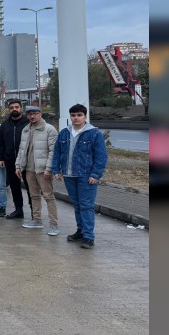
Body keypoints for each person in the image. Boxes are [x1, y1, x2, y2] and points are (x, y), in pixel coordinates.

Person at [52, 104, 108, 249]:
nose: (76, 118)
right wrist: (56, 170)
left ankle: (89, 237)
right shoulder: (64, 133)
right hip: (69, 175)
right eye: (73, 115)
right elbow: (57, 153)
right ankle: (81, 231)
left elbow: (101, 157)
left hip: (86, 176)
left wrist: (95, 174)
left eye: (79, 115)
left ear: (85, 116)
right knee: (77, 205)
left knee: (86, 206)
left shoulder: (94, 134)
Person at [15, 106, 59, 235]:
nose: (32, 116)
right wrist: (18, 166)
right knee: (34, 196)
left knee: (48, 196)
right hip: (29, 168)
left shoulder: (49, 129)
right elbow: (21, 149)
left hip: (43, 169)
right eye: (29, 114)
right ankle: (37, 220)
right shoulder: (26, 129)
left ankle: (54, 225)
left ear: (40, 114)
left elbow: (53, 151)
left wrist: (49, 168)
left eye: (35, 113)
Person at [0, 99, 31, 219]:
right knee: (14, 186)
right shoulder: (5, 125)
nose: (14, 109)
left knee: (30, 187)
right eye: (12, 108)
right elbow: (0, 142)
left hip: (27, 161)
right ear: (9, 109)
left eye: (17, 107)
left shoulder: (28, 123)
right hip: (10, 160)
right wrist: (0, 157)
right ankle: (18, 210)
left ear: (21, 108)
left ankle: (34, 212)